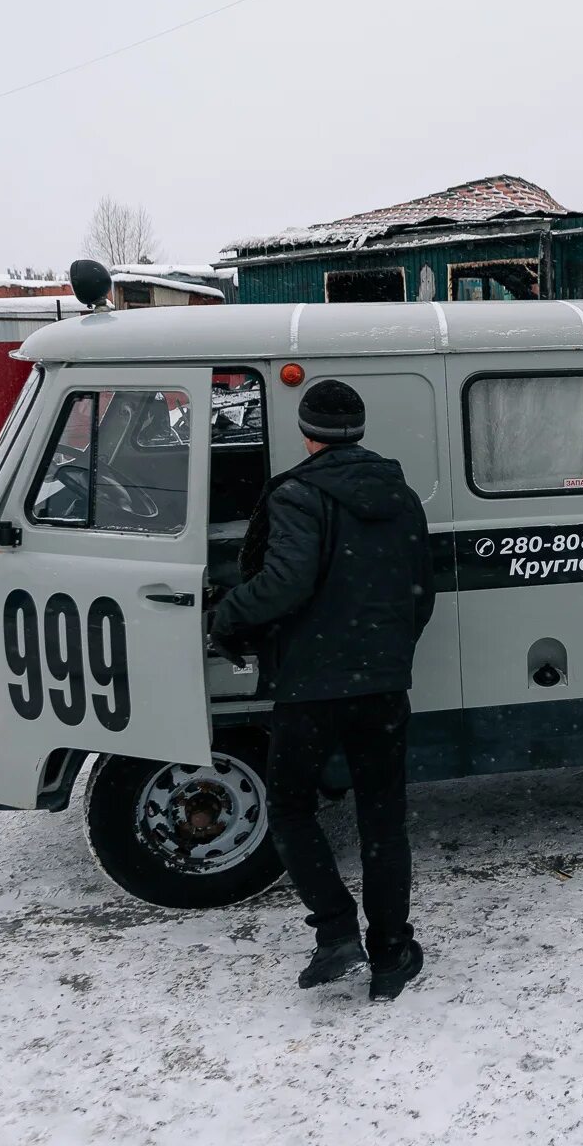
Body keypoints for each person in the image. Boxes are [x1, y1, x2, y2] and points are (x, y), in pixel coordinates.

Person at [210, 380, 435, 998]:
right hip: (383, 686)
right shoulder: (404, 495)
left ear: (307, 433)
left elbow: (284, 583)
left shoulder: (298, 495)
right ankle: (391, 954)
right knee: (383, 819)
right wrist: (388, 654)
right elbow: (423, 590)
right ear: (358, 430)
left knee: (289, 807)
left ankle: (337, 931)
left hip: (310, 686)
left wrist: (228, 615)